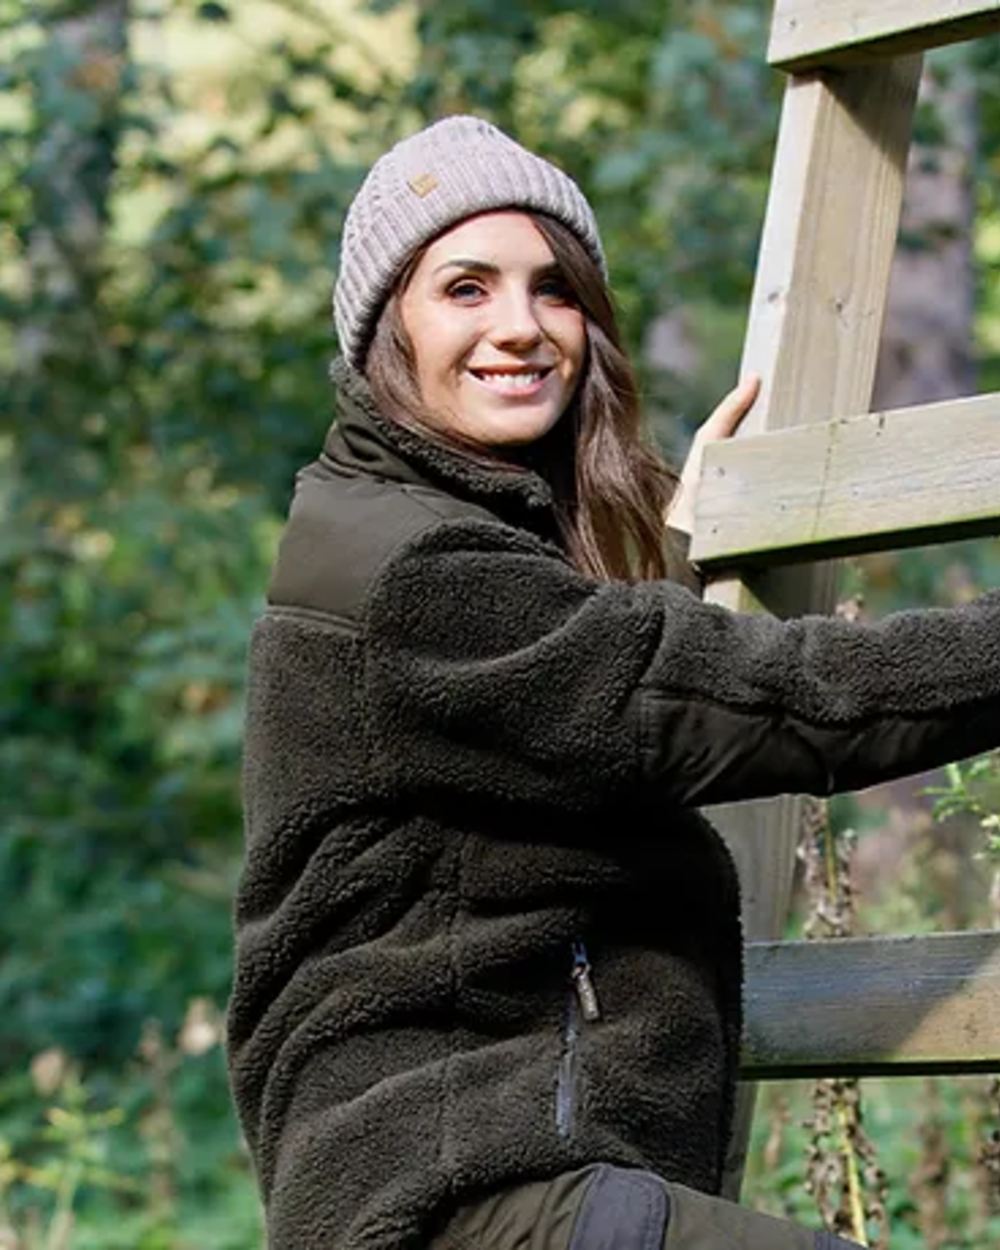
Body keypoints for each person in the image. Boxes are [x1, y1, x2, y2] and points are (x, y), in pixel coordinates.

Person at [225, 116, 1000, 1250]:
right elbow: (771, 698)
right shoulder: (414, 573)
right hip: (467, 1197)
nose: (520, 327)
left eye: (554, 288)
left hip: (509, 1184)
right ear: (384, 328)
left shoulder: (429, 542)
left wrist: (688, 550)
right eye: (466, 288)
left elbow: (585, 689)